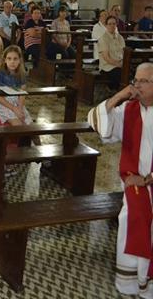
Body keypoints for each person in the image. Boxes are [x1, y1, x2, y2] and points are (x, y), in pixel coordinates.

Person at [87, 63, 153, 298]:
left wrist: (149, 177)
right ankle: (133, 281)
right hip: (136, 184)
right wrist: (120, 95)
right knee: (131, 214)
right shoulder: (129, 109)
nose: (137, 85)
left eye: (144, 81)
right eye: (136, 80)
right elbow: (97, 122)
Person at [0, 45, 33, 125]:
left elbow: (22, 94)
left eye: (15, 59)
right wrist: (14, 109)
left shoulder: (22, 74)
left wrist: (20, 108)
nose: (12, 62)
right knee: (18, 124)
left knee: (30, 126)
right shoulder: (0, 73)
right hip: (4, 103)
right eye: (9, 58)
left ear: (19, 60)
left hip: (17, 102)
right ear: (5, 60)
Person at [98, 16, 126, 90]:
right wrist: (119, 65)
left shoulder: (120, 38)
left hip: (120, 64)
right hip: (107, 66)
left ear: (116, 25)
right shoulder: (103, 38)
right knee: (119, 74)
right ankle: (115, 92)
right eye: (109, 24)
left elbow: (124, 53)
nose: (112, 26)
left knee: (133, 72)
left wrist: (123, 63)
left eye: (114, 24)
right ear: (106, 25)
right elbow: (106, 58)